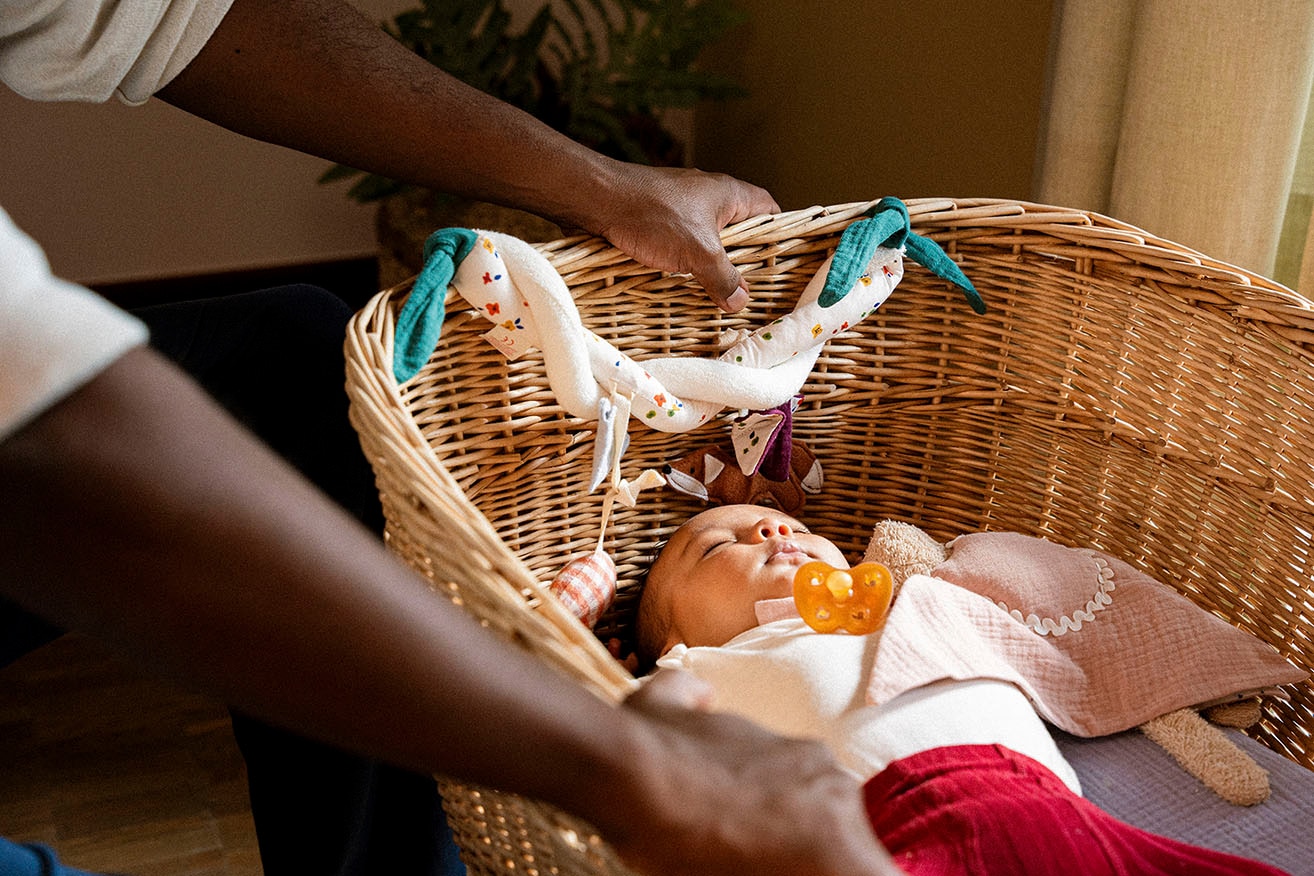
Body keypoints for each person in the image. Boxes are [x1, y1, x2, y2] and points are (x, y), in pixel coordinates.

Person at [0, 1, 901, 875]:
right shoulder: (675, 677)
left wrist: (605, 187)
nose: (772, 533)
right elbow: (44, 420)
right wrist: (637, 772)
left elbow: (163, 14)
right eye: (710, 542)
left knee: (300, 364)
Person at [637, 503, 1292, 876]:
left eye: (791, 525)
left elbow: (1041, 631)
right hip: (892, 829)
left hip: (1059, 810)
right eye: (715, 545)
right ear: (671, 641)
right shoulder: (691, 668)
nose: (773, 532)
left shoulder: (916, 608)